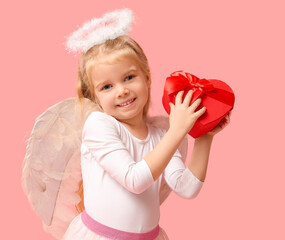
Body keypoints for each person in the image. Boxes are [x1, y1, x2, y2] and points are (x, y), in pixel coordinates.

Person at [23, 9, 231, 240]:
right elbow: (134, 179)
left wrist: (204, 136)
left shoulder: (161, 136)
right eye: (106, 87)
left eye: (129, 77)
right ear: (93, 96)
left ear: (147, 77)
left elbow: (187, 187)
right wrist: (178, 130)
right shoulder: (99, 126)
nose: (122, 91)